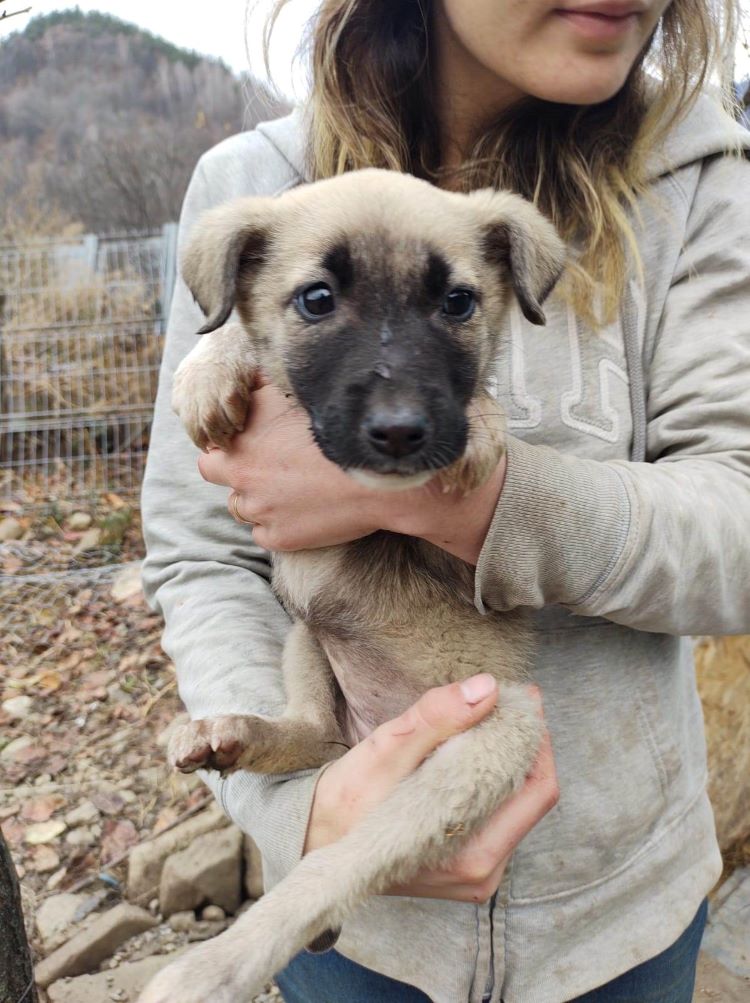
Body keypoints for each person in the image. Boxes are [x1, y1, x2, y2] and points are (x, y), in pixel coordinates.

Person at [140, 2, 750, 1001]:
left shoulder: (704, 184)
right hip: (362, 936)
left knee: (498, 722)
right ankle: (257, 936)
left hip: (620, 921)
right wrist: (299, 811)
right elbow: (201, 553)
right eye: (318, 303)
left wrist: (467, 501)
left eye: (458, 303)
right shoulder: (252, 192)